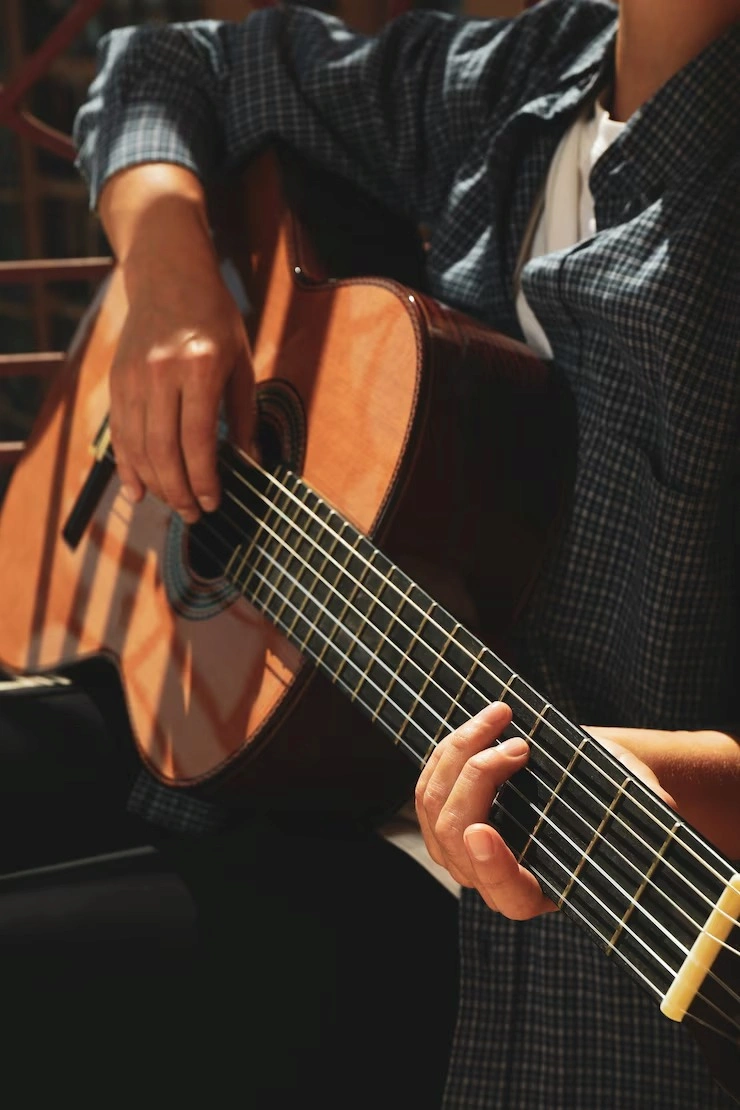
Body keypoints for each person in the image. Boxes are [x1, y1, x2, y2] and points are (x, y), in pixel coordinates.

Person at [25, 0, 739, 1104]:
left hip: (543, 961)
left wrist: (672, 780)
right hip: (270, 738)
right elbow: (160, 68)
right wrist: (169, 280)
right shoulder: (514, 75)